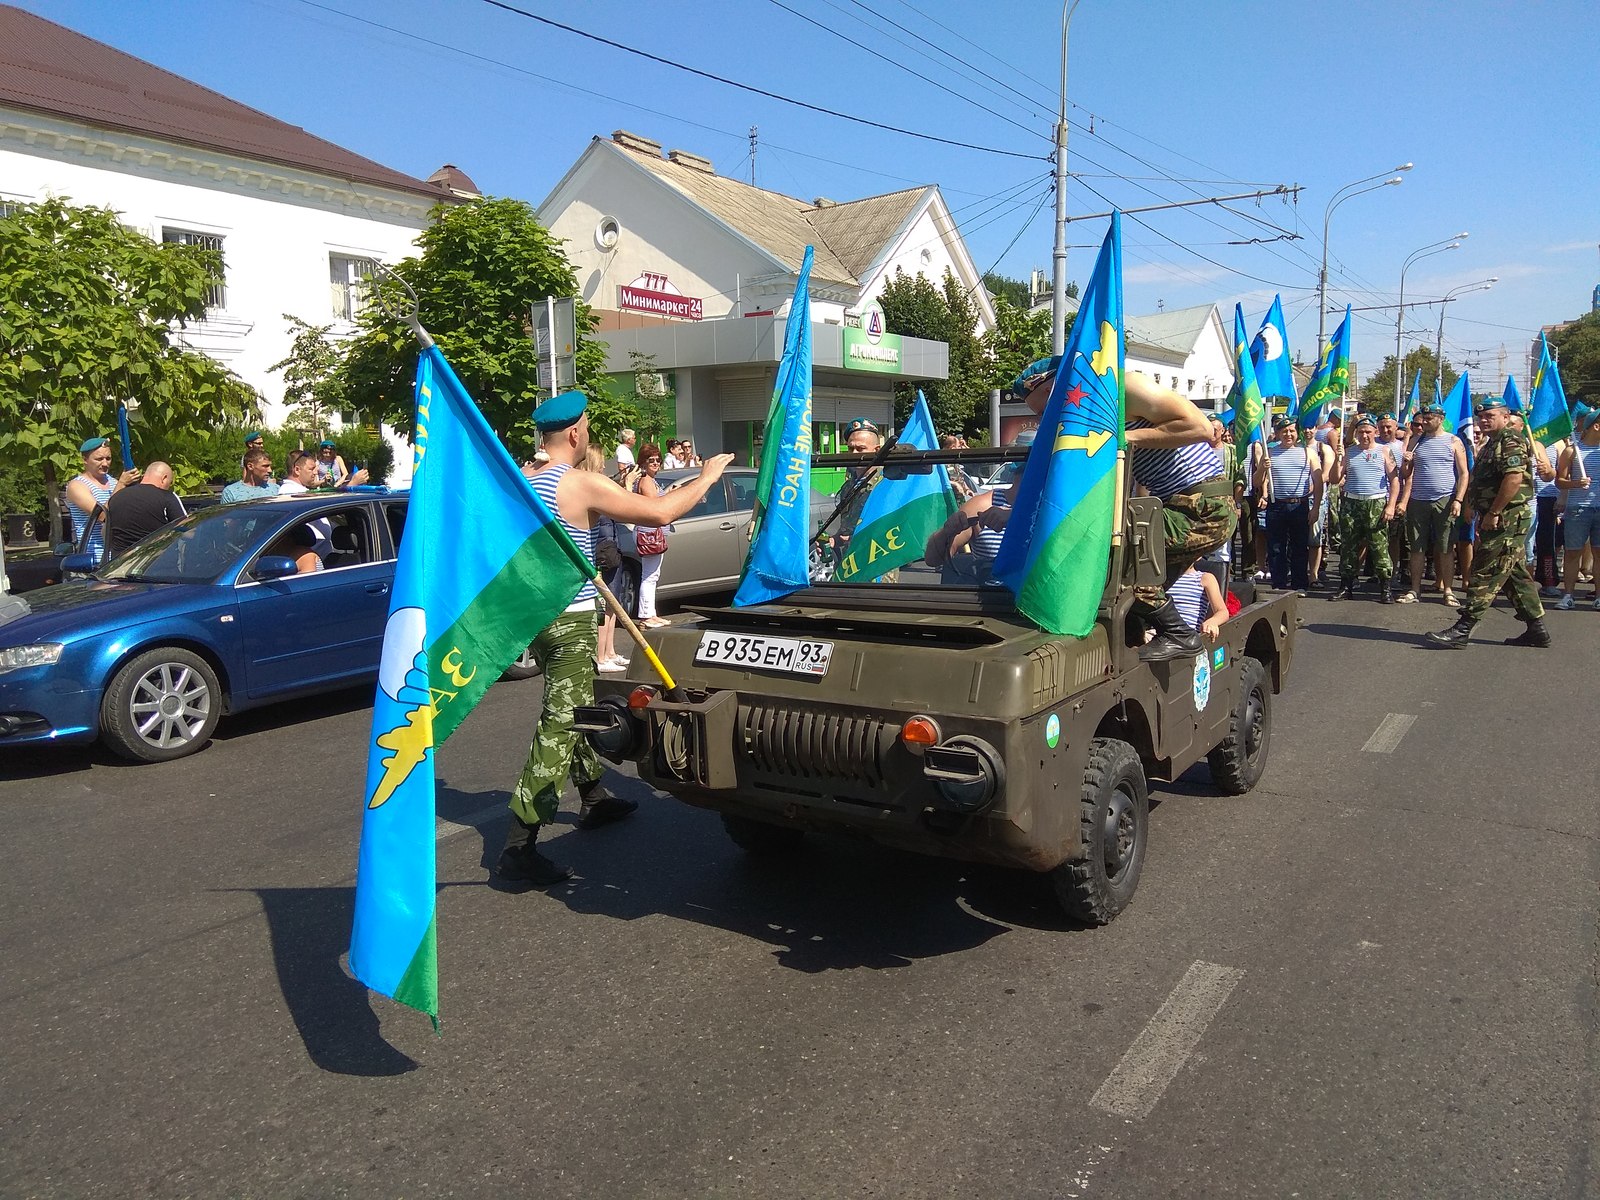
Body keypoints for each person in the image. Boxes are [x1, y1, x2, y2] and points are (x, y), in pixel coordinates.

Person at [496, 390, 735, 888]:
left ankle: (593, 797)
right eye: (587, 430)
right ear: (576, 434)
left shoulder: (523, 480)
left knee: (578, 699)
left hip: (534, 618)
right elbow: (662, 512)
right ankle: (520, 846)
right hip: (569, 619)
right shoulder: (577, 482)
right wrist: (707, 476)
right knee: (561, 721)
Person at [1015, 361, 1230, 661]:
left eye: (1043, 411)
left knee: (1123, 569)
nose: (1044, 420)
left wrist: (1125, 439)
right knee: (1123, 586)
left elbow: (1201, 428)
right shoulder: (1090, 416)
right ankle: (1134, 638)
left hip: (1202, 506)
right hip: (1176, 505)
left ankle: (1180, 635)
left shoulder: (1123, 389)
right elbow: (1139, 486)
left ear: (1053, 387)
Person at [1426, 396, 1548, 649]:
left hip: (1507, 517)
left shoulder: (1511, 440)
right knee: (1514, 574)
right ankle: (1537, 629)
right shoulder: (1491, 443)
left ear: (1505, 417)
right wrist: (1473, 506)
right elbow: (1481, 480)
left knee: (1485, 570)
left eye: (1490, 416)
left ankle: (1463, 628)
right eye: (1481, 416)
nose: (1484, 420)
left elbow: (1513, 479)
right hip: (1496, 515)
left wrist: (1494, 513)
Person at [1396, 400, 1468, 605]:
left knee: (1445, 547)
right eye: (1423, 419)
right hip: (1418, 500)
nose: (1425, 422)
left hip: (1444, 499)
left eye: (1429, 418)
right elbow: (1405, 474)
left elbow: (1464, 474)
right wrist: (1407, 462)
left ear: (1441, 419)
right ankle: (1415, 589)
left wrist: (1458, 499)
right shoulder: (1416, 442)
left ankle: (1447, 590)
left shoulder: (1453, 441)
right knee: (1417, 547)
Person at [1327, 414, 1398, 602]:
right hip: (1352, 502)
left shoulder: (1384, 451)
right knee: (1349, 546)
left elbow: (1395, 481)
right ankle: (1346, 586)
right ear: (1356, 433)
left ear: (1375, 432)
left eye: (1368, 432)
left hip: (1376, 502)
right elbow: (1334, 479)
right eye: (1361, 432)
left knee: (1379, 546)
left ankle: (1386, 588)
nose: (1365, 435)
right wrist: (1337, 458)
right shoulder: (1349, 452)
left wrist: (1391, 505)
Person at [1256, 418, 1321, 593]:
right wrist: (1262, 467)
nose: (1288, 434)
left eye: (1292, 431)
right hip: (1276, 505)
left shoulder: (1308, 453)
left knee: (1299, 547)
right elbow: (1256, 481)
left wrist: (1315, 509)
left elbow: (1319, 482)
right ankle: (1279, 584)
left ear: (1297, 432)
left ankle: (1300, 585)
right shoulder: (1269, 453)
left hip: (1299, 505)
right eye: (1284, 431)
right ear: (1278, 434)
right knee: (1276, 547)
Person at [1553, 406, 1600, 610]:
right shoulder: (1572, 451)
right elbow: (1559, 481)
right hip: (1577, 508)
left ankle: (1599, 596)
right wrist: (1575, 484)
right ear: (1595, 426)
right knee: (1573, 553)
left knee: (1599, 553)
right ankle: (1568, 595)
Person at [66, 436, 141, 561]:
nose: (105, 463)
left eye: (108, 458)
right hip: (93, 560)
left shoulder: (114, 483)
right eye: (99, 459)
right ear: (85, 460)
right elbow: (101, 515)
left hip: (118, 557)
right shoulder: (77, 486)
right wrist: (122, 484)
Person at [105, 461, 185, 555]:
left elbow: (105, 532)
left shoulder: (116, 498)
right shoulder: (167, 497)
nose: (169, 486)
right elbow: (187, 530)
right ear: (164, 478)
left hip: (120, 564)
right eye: (169, 483)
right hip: (155, 563)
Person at [630, 443, 671, 629]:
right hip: (649, 534)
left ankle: (651, 614)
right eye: (650, 460)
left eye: (657, 460)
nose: (655, 463)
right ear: (643, 463)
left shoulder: (650, 480)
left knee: (653, 575)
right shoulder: (646, 481)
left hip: (650, 533)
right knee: (649, 575)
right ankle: (646, 615)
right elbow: (654, 506)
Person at [1374, 412, 1410, 598]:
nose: (1386, 430)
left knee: (1393, 540)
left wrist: (1401, 502)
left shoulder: (1401, 448)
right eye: (1382, 426)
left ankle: (1392, 574)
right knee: (1371, 539)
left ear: (1396, 428)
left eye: (1389, 426)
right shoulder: (1371, 445)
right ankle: (1376, 573)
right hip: (1373, 499)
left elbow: (1406, 477)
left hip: (1394, 500)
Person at [1306, 410, 1341, 588]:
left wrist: (1312, 488)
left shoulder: (1323, 448)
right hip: (1297, 501)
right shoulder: (1296, 449)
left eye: (1310, 428)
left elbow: (1326, 475)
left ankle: (1314, 574)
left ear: (1315, 429)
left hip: (1316, 500)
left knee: (1315, 539)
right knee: (1296, 540)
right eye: (1304, 428)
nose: (1307, 431)